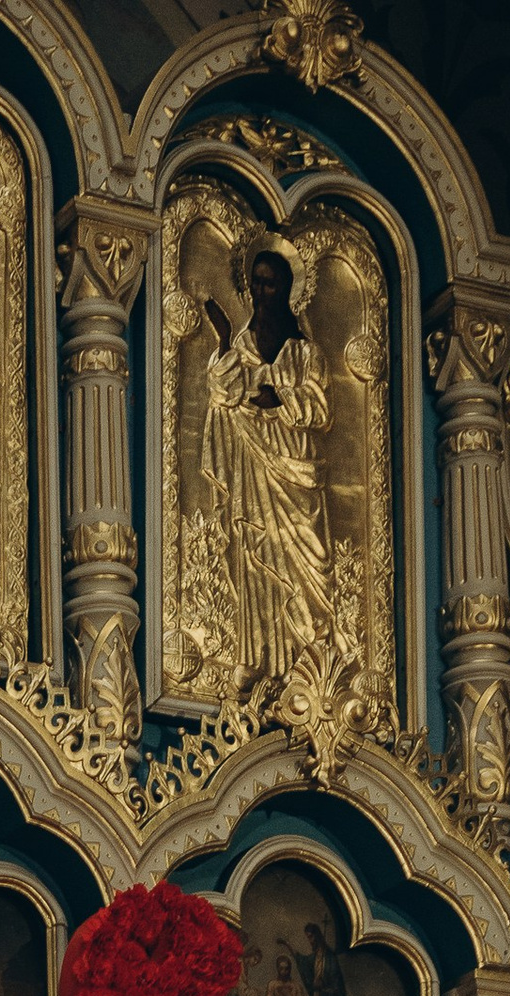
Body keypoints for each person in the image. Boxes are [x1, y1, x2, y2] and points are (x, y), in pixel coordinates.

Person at [199, 241, 337, 688]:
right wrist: (221, 342)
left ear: (286, 291)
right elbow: (224, 389)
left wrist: (276, 397)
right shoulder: (240, 345)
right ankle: (259, 658)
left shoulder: (305, 353)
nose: (261, 291)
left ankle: (311, 658)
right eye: (256, 282)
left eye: (270, 284)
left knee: (303, 566)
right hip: (252, 469)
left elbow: (320, 409)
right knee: (254, 559)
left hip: (295, 474)